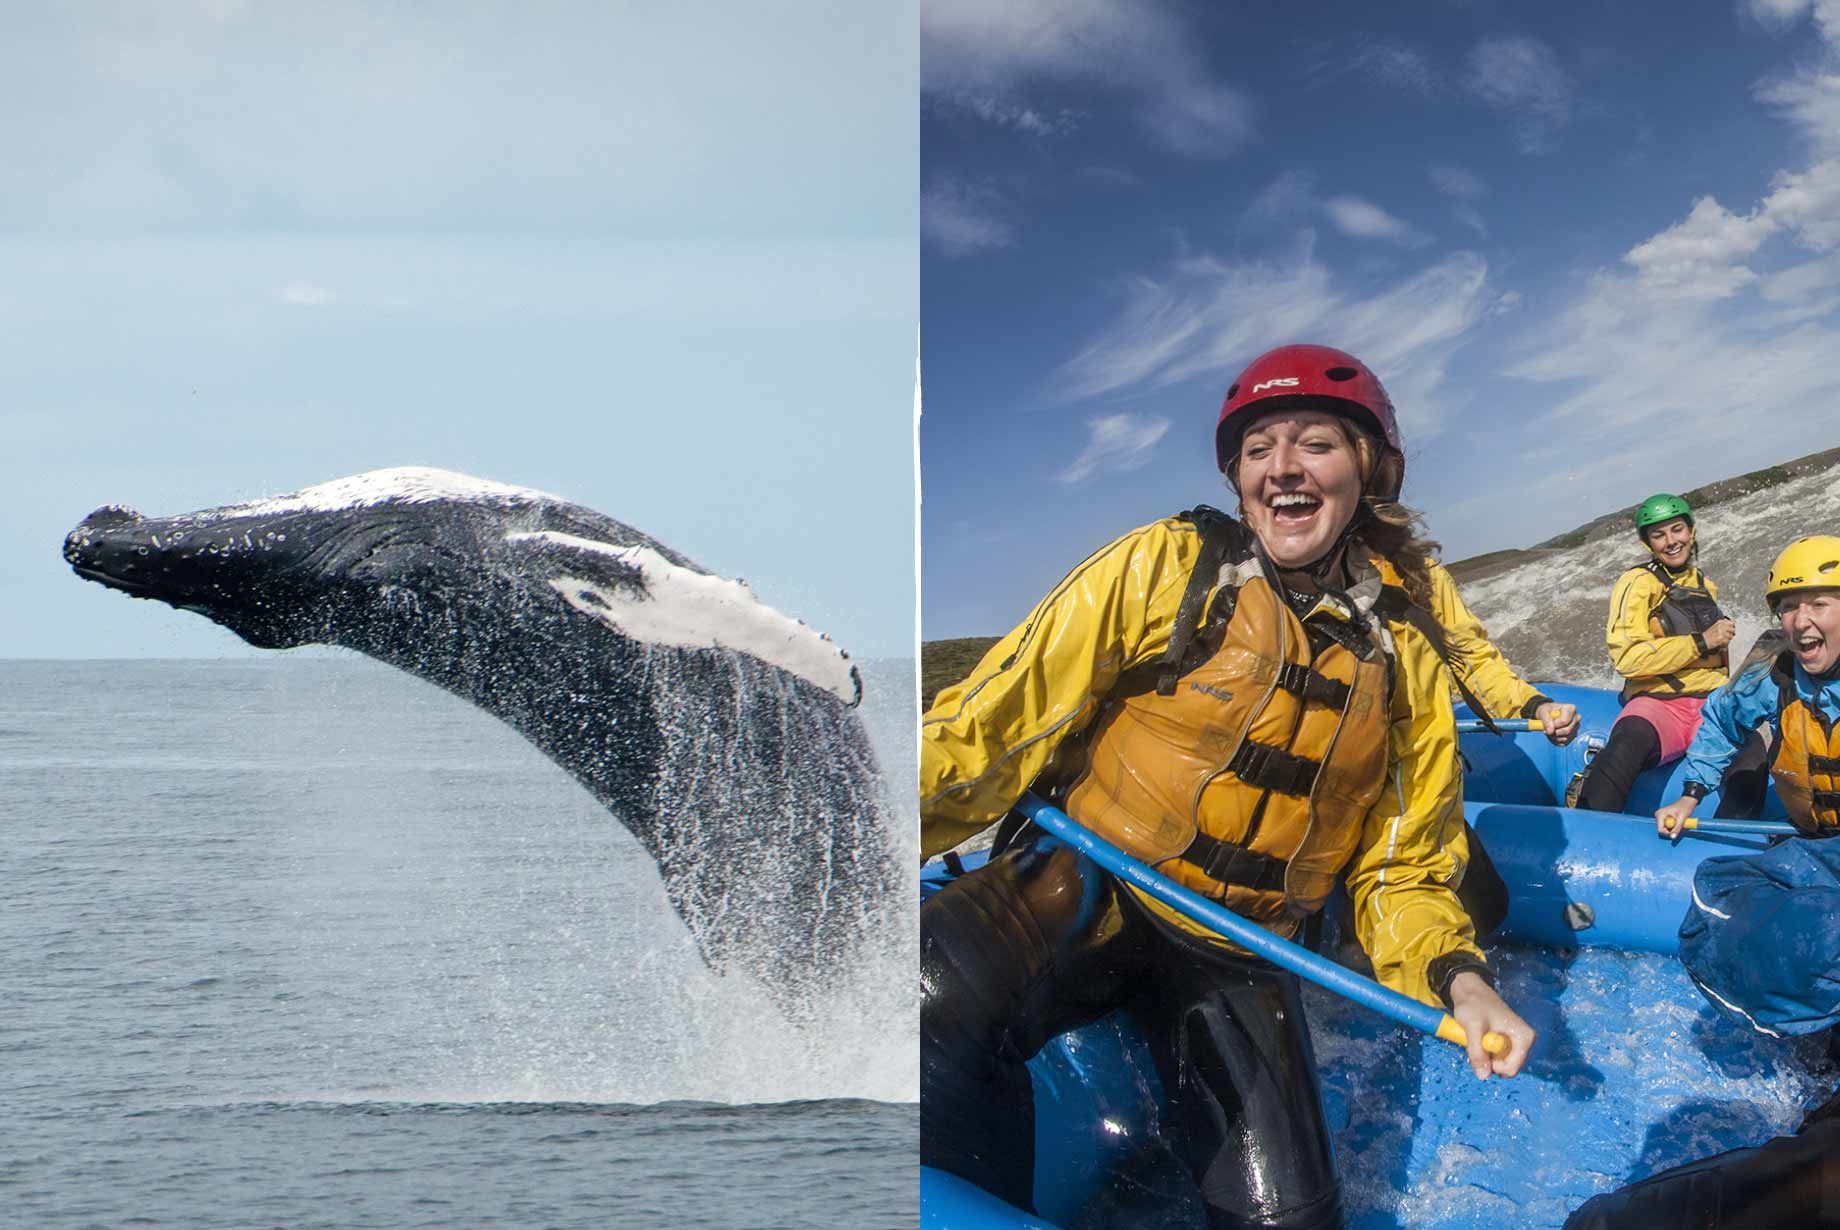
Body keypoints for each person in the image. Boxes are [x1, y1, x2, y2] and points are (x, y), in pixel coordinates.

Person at [920, 343, 1535, 1230]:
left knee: (1290, 1220)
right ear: (1239, 478)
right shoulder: (1171, 566)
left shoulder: (1405, 654)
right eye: (1258, 449)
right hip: (1087, 884)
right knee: (928, 993)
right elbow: (990, 729)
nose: (1282, 467)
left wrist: (1459, 978)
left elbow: (1403, 866)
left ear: (1368, 468)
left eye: (1315, 443)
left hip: (1238, 945)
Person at [1655, 536, 1840, 840]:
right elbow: (1722, 721)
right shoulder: (1775, 675)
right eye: (1789, 607)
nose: (1801, 621)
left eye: (1819, 605)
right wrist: (1691, 795)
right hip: (1813, 837)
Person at [1574, 493, 1735, 814]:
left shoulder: (1705, 584)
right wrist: (1700, 642)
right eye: (1658, 535)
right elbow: (1627, 658)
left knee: (1753, 762)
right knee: (1623, 750)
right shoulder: (1636, 582)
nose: (1671, 541)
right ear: (1648, 543)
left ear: (1691, 531)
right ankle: (1590, 831)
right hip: (1660, 705)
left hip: (1709, 705)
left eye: (1677, 530)